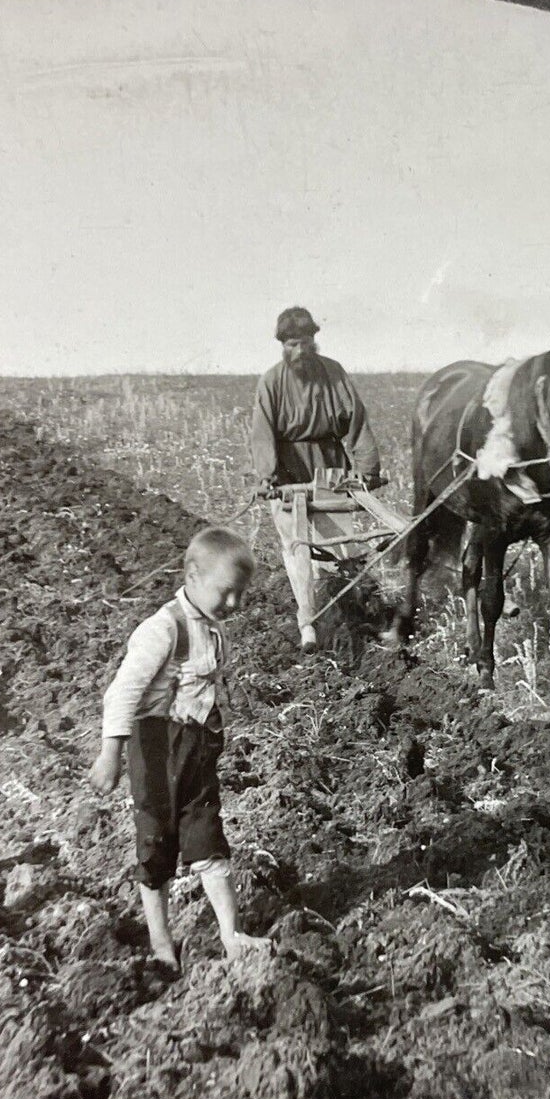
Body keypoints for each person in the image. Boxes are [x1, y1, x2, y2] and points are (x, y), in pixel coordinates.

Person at [90, 527, 269, 972]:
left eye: (240, 595)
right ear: (192, 576)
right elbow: (122, 693)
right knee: (156, 846)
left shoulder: (212, 630)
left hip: (196, 754)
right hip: (157, 751)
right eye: (226, 593)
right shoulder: (163, 629)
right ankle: (161, 944)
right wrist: (110, 753)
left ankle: (231, 935)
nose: (234, 605)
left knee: (208, 839)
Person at [250, 307, 382, 651]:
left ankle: (358, 613)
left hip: (330, 464)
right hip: (288, 469)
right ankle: (307, 618)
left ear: (315, 341)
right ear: (283, 345)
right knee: (297, 546)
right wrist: (267, 477)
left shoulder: (333, 373)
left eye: (306, 343)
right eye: (293, 344)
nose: (301, 351)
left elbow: (356, 422)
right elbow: (263, 434)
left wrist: (367, 470)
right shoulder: (272, 381)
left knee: (342, 544)